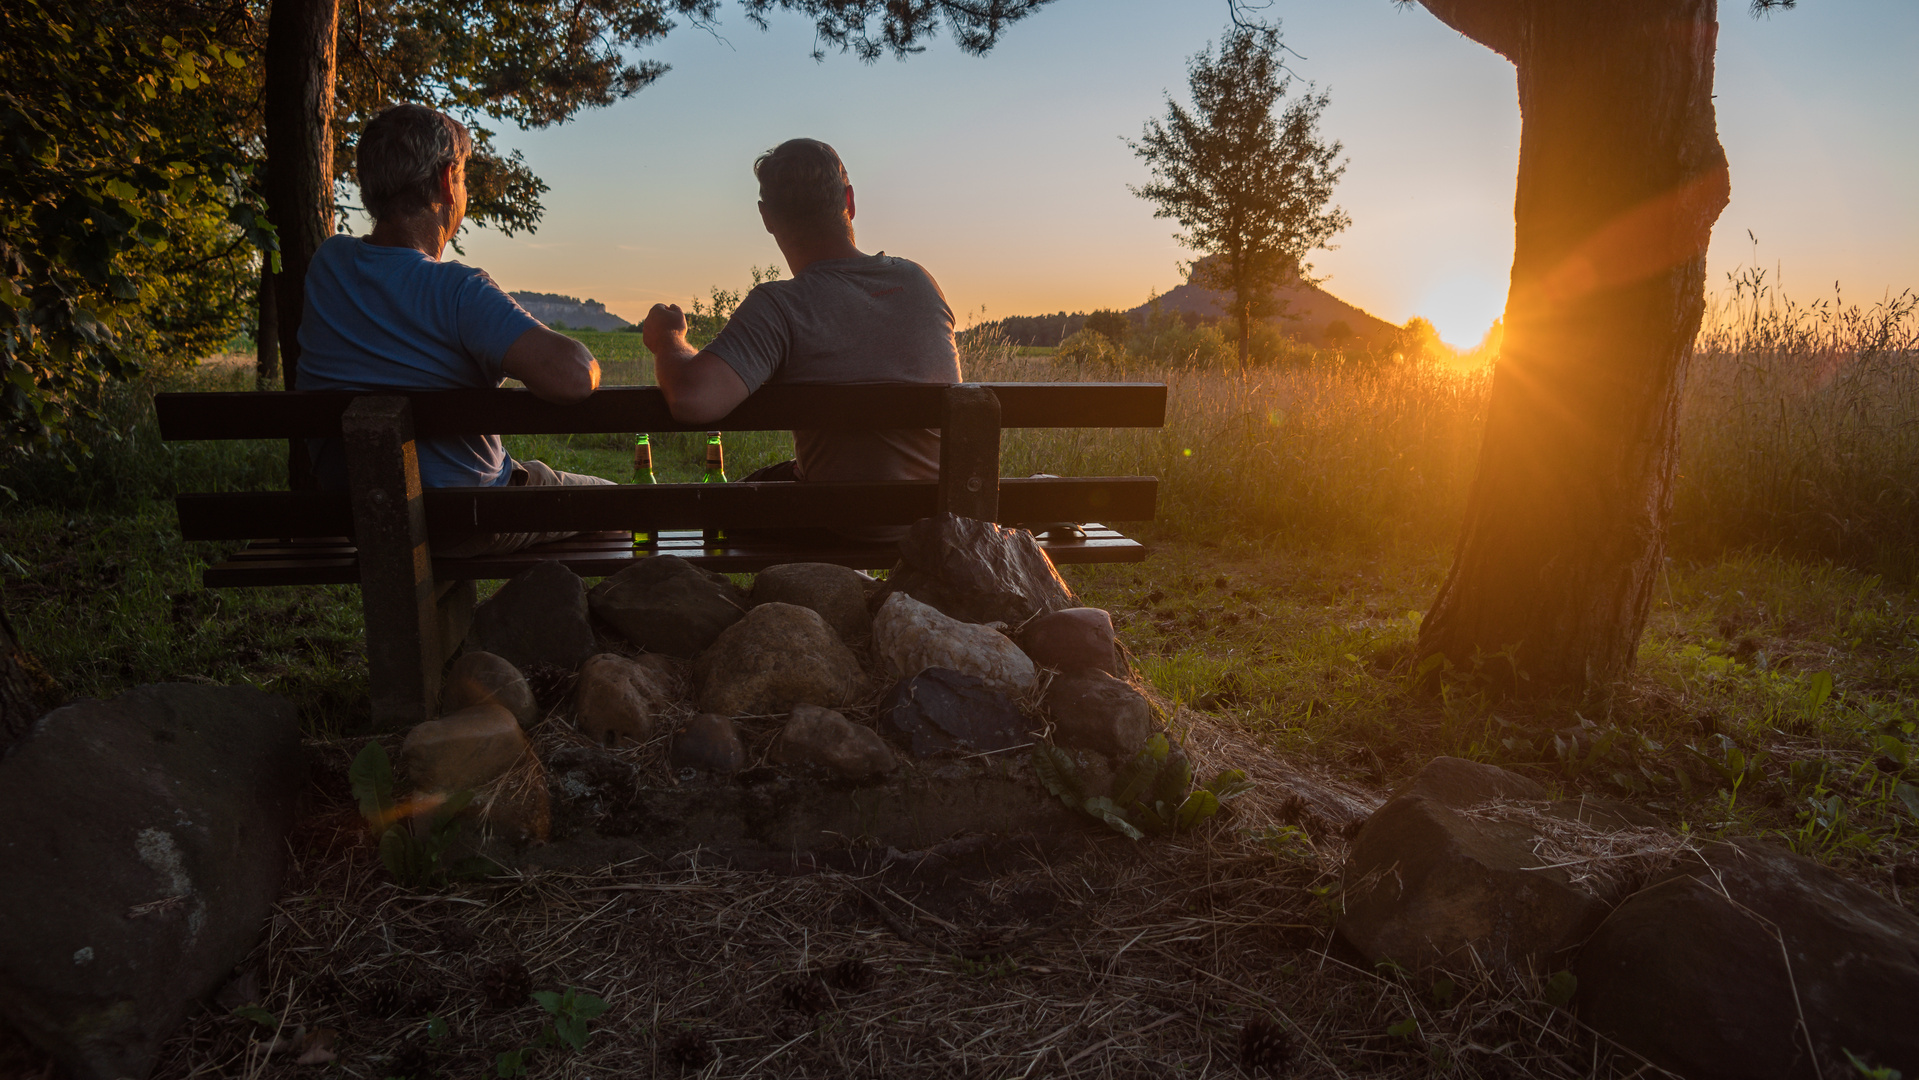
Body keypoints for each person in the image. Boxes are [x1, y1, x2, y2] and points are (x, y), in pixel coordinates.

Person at [296, 103, 612, 557]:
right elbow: (575, 375)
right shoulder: (460, 290)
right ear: (447, 181)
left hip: (362, 516)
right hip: (465, 518)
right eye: (463, 176)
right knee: (623, 504)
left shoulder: (328, 266)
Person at [640, 138, 960, 528]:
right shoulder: (919, 282)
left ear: (767, 218)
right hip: (930, 518)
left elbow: (692, 399)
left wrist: (668, 338)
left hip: (836, 523)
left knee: (716, 508)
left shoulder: (780, 306)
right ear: (850, 202)